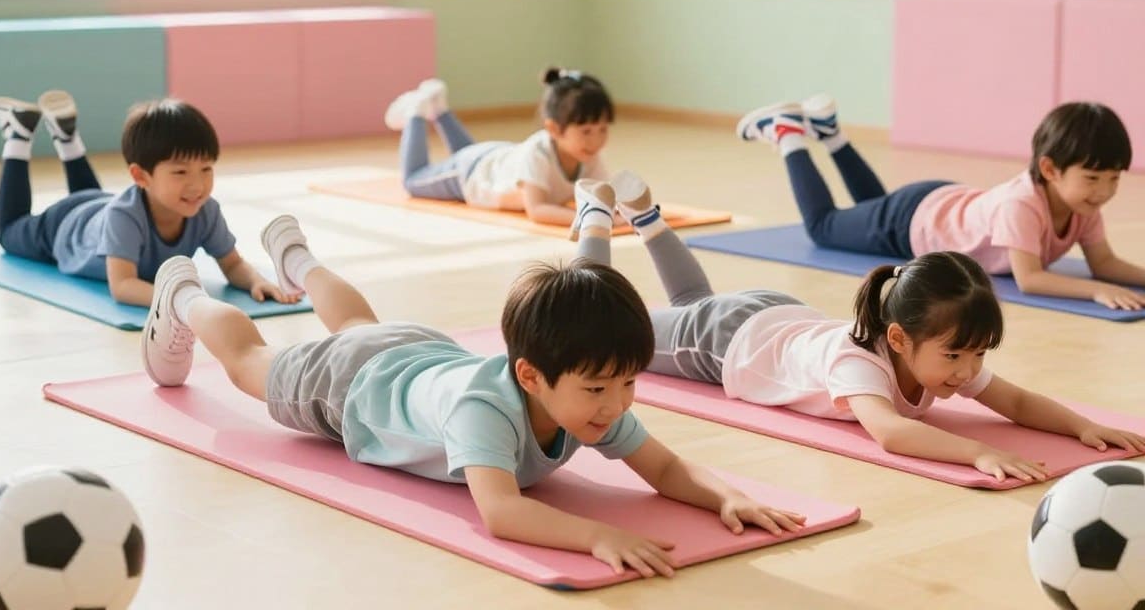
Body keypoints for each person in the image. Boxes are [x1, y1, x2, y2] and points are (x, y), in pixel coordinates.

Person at [139, 214, 806, 577]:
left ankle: (299, 261)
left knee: (359, 325)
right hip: (350, 389)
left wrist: (726, 495)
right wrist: (597, 534)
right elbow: (503, 513)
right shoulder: (486, 411)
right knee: (250, 362)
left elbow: (662, 467)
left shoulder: (590, 402)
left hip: (419, 353)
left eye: (630, 381)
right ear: (531, 378)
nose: (619, 402)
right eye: (602, 387)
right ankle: (185, 294)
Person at [569, 171, 1145, 482]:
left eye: (977, 356)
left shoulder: (937, 350)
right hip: (725, 344)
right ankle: (598, 214)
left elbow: (1014, 399)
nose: (969, 372)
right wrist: (975, 452)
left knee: (693, 300)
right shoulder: (862, 365)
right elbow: (892, 433)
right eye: (958, 359)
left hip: (775, 316)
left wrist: (1082, 426)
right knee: (598, 330)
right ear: (899, 339)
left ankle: (645, 216)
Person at [736, 97, 1145, 310]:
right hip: (911, 225)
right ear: (1050, 169)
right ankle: (788, 134)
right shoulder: (1023, 204)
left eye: (1113, 179)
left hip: (938, 204)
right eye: (1093, 179)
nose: (1104, 191)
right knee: (823, 227)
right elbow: (1031, 279)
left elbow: (1105, 262)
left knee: (874, 205)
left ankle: (830, 135)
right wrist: (1096, 292)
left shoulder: (1083, 205)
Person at [0, 92, 299, 307]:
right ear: (141, 176)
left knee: (97, 202)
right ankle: (19, 134)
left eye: (206, 168)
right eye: (180, 172)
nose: (198, 185)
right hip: (64, 227)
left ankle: (67, 137)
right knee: (9, 233)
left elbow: (233, 265)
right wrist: (182, 299)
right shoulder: (124, 217)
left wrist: (255, 281)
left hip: (101, 207)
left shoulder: (205, 210)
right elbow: (122, 286)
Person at [384, 68, 613, 227]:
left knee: (466, 152)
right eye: (586, 132)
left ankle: (440, 109)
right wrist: (593, 219)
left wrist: (615, 211)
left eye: (603, 129)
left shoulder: (587, 154)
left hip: (496, 157)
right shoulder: (539, 154)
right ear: (553, 129)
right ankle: (416, 113)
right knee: (413, 181)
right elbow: (538, 209)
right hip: (470, 173)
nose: (597, 140)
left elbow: (603, 197)